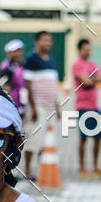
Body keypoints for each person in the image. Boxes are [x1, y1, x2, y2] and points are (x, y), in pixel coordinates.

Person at [23, 32, 61, 180]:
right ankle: (27, 170)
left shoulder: (51, 61)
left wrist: (57, 107)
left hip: (50, 106)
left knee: (47, 140)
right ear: (37, 42)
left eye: (49, 40)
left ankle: (42, 170)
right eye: (44, 40)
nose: (48, 43)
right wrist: (32, 108)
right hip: (37, 106)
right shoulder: (32, 59)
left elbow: (53, 85)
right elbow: (28, 84)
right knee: (33, 138)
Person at [72, 38, 101, 177]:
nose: (88, 51)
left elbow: (100, 78)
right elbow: (87, 83)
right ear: (79, 50)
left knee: (98, 137)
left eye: (90, 49)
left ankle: (96, 166)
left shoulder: (92, 63)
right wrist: (92, 78)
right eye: (86, 49)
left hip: (95, 105)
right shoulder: (77, 64)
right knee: (83, 137)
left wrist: (92, 78)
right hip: (83, 105)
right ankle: (82, 167)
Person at [0, 39, 27, 117]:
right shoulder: (5, 66)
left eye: (19, 51)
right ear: (9, 53)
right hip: (12, 102)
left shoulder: (22, 64)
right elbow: (3, 84)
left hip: (23, 101)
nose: (18, 53)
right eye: (15, 51)